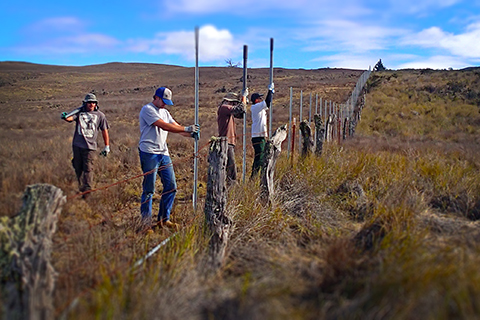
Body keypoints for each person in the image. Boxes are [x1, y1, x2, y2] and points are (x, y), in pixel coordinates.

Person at [138, 86, 199, 229]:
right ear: (156, 98)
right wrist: (187, 129)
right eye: (163, 101)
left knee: (171, 186)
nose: (165, 104)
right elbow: (164, 126)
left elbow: (175, 127)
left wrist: (191, 134)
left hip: (163, 153)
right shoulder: (147, 110)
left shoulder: (165, 112)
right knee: (149, 189)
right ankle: (146, 224)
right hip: (149, 152)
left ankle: (163, 219)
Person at [61, 93, 110, 198]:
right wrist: (65, 117)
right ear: (85, 103)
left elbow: (104, 131)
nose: (91, 104)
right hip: (77, 145)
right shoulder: (79, 113)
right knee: (78, 167)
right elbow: (70, 118)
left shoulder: (100, 116)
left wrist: (107, 146)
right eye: (89, 102)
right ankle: (80, 188)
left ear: (96, 104)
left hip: (90, 147)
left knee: (88, 169)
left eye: (93, 102)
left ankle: (87, 194)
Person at [217, 90, 247, 184]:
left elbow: (241, 114)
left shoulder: (226, 109)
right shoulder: (224, 107)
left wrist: (243, 103)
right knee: (231, 166)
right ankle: (231, 184)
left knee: (229, 165)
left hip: (229, 141)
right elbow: (239, 109)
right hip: (226, 141)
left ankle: (229, 183)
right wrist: (243, 99)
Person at [250, 83, 274, 177]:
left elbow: (268, 103)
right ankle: (254, 176)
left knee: (262, 157)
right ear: (256, 100)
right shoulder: (256, 107)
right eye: (260, 98)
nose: (261, 99)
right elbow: (267, 102)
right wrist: (270, 91)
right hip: (258, 137)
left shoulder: (260, 108)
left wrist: (271, 93)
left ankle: (258, 176)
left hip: (261, 136)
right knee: (259, 158)